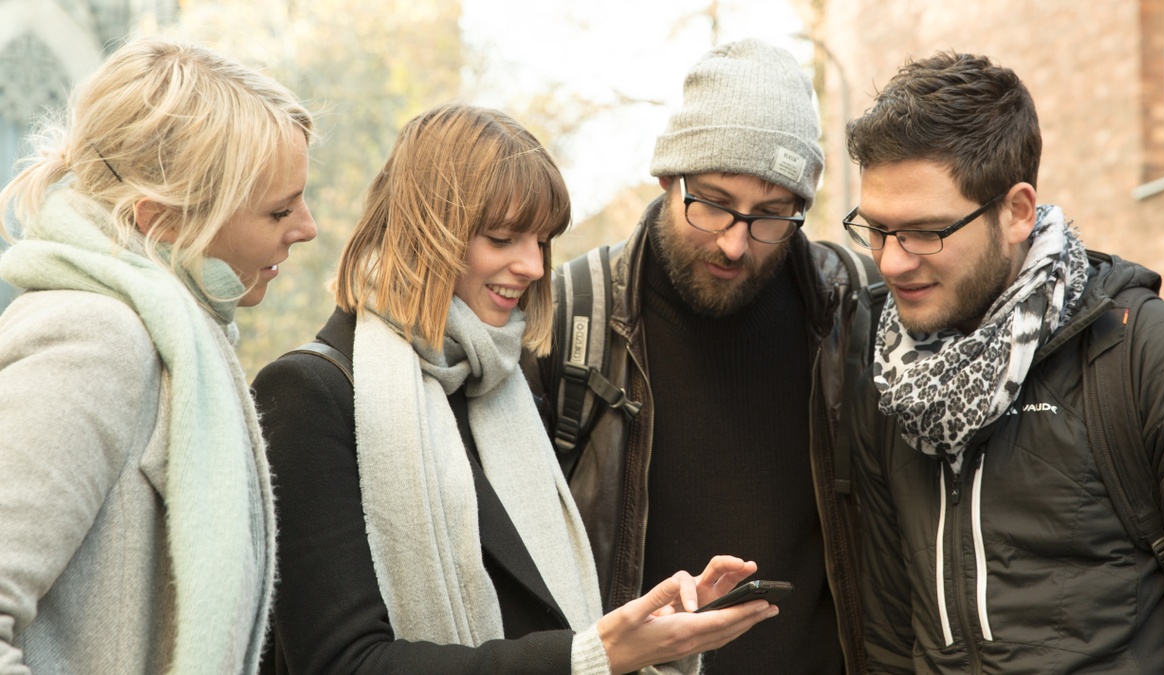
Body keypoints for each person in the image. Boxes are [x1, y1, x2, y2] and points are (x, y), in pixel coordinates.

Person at [251, 102, 776, 675]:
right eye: (502, 238)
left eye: (542, 241)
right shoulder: (309, 394)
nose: (531, 266)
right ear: (425, 233)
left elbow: (531, 619)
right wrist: (589, 656)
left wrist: (646, 638)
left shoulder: (505, 381)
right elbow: (342, 662)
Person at [844, 51, 1164, 672]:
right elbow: (888, 641)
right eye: (875, 230)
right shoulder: (884, 374)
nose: (892, 262)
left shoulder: (1148, 357)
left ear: (1016, 212)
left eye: (925, 232)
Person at [527, 38, 871, 673]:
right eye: (712, 203)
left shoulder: (856, 305)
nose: (736, 244)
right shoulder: (572, 312)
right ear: (666, 177)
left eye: (771, 216)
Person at [0, 37, 316, 673]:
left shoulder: (171, 335)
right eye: (279, 208)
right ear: (161, 220)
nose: (307, 226)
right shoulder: (95, 341)